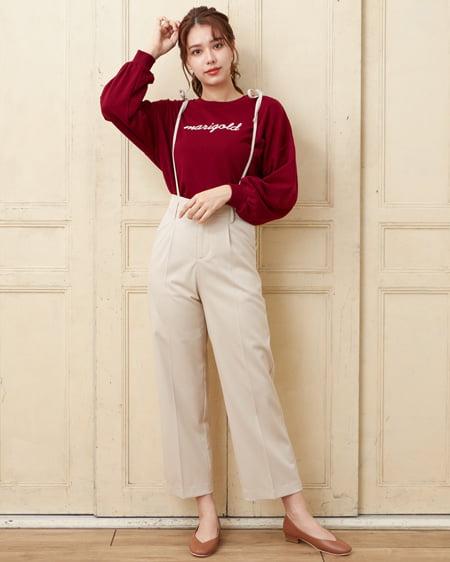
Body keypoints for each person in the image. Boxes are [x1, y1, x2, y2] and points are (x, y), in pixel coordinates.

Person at [100, 6, 352, 558]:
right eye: (195, 50)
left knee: (251, 376)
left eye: (216, 45)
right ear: (186, 62)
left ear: (232, 48)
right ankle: (206, 511)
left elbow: (283, 189)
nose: (208, 58)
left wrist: (230, 192)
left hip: (230, 242)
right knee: (179, 379)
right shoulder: (171, 116)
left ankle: (294, 510)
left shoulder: (264, 112)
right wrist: (150, 51)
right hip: (174, 243)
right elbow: (114, 105)